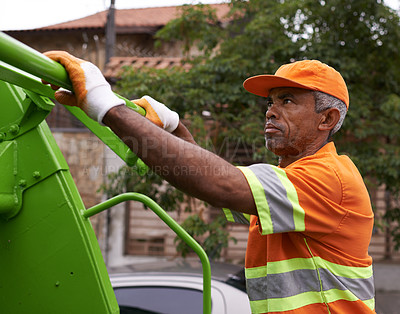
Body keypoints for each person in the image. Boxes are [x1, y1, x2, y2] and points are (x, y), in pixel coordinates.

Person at [43, 51, 375, 314]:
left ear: (327, 119)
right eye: (271, 102)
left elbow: (222, 185)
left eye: (287, 100)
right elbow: (219, 187)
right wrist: (173, 127)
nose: (271, 111)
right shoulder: (291, 185)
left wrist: (106, 105)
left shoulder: (328, 179)